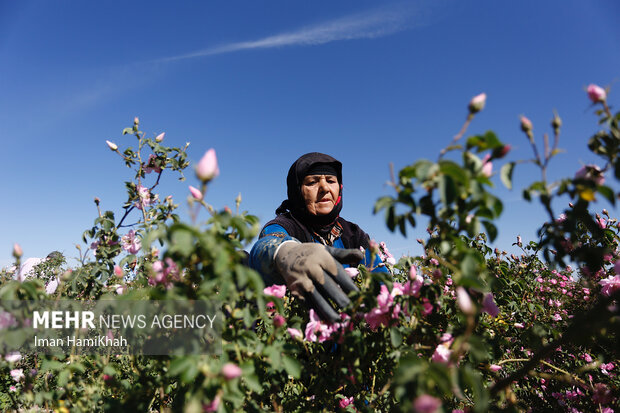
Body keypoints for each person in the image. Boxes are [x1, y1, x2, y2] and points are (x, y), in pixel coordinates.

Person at [249, 152, 387, 322]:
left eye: (331, 181)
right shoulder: (286, 225)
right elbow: (265, 245)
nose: (324, 188)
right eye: (312, 182)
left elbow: (382, 281)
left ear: (340, 188)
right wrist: (285, 252)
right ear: (297, 190)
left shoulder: (352, 233)